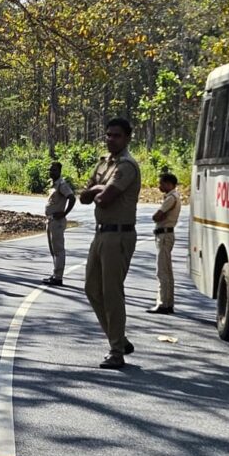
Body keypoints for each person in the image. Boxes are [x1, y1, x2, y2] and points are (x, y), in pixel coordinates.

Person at [79, 118, 141, 369]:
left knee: (112, 293)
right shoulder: (104, 163)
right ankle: (119, 339)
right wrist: (97, 189)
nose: (110, 139)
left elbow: (105, 198)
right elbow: (84, 197)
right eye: (108, 135)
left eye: (116, 135)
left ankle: (116, 351)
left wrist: (96, 188)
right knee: (92, 288)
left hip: (119, 235)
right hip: (101, 233)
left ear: (127, 138)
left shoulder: (127, 166)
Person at [146, 170, 181, 315]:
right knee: (167, 270)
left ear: (169, 184)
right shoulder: (174, 196)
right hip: (166, 234)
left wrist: (156, 217)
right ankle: (168, 302)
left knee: (162, 271)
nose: (159, 186)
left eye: (161, 183)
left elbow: (157, 216)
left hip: (165, 235)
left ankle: (163, 304)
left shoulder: (171, 198)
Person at [42, 161, 75, 286]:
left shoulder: (62, 184)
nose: (51, 172)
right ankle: (55, 274)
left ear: (59, 171)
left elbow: (72, 198)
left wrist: (64, 213)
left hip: (57, 221)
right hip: (50, 220)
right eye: (50, 170)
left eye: (54, 170)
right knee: (53, 249)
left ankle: (58, 277)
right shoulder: (53, 185)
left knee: (58, 249)